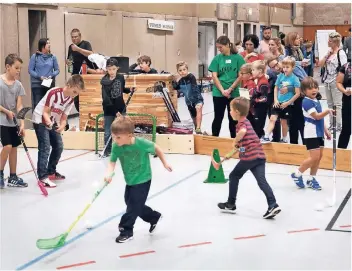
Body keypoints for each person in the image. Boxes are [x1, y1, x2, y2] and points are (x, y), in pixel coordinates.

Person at [104, 114, 172, 243]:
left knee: (133, 206)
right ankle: (154, 217)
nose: (115, 140)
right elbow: (112, 162)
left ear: (130, 135)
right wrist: (108, 174)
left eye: (118, 137)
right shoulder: (116, 146)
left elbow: (157, 148)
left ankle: (126, 230)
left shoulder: (141, 143)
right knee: (133, 204)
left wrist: (165, 163)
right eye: (113, 137)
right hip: (130, 180)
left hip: (143, 178)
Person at [217, 97, 281, 219]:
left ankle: (231, 204)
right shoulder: (247, 121)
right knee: (262, 182)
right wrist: (232, 153)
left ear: (236, 112)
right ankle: (273, 204)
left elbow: (242, 132)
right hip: (259, 156)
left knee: (233, 176)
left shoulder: (241, 124)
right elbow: (245, 146)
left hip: (250, 158)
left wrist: (235, 141)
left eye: (230, 110)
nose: (229, 112)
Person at [32, 75, 85, 188]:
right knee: (45, 147)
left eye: (77, 93)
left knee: (59, 146)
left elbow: (64, 117)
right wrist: (49, 122)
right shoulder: (54, 93)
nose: (75, 95)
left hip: (52, 120)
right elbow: (45, 112)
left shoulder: (70, 99)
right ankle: (42, 177)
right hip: (40, 119)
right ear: (68, 85)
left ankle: (51, 171)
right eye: (74, 91)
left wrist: (62, 126)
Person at [291, 77, 332, 190]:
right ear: (304, 91)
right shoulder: (306, 102)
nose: (313, 90)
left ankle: (311, 179)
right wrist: (327, 111)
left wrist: (326, 131)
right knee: (314, 157)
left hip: (319, 132)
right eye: (310, 88)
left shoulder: (316, 101)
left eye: (315, 87)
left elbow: (320, 119)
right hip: (311, 133)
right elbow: (317, 116)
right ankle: (297, 173)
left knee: (319, 157)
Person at [209, 35, 245, 138]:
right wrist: (222, 90)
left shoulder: (238, 58)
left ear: (228, 45)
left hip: (234, 92)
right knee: (218, 117)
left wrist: (230, 89)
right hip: (219, 92)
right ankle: (214, 138)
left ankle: (234, 140)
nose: (219, 50)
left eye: (221, 47)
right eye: (218, 48)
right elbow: (214, 76)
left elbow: (240, 75)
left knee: (233, 118)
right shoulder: (217, 59)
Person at [0, 54, 27, 188]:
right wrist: (6, 111)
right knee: (7, 146)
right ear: (7, 67)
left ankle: (13, 176)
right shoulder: (0, 82)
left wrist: (22, 124)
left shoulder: (18, 85)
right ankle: (0, 173)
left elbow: (19, 106)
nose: (18, 71)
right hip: (2, 120)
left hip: (13, 122)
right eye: (16, 68)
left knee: (14, 148)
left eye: (20, 68)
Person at [262, 57, 301, 143]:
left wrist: (288, 103)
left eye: (287, 67)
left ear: (292, 67)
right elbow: (276, 88)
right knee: (272, 119)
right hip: (278, 102)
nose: (285, 69)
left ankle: (284, 138)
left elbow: (297, 93)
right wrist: (276, 100)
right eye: (284, 67)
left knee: (284, 122)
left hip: (287, 104)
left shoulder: (295, 79)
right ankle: (266, 136)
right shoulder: (280, 76)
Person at [101, 58, 134, 157]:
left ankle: (123, 150)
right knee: (108, 132)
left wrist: (129, 90)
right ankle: (107, 151)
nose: (111, 71)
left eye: (113, 69)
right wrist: (116, 112)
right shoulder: (104, 81)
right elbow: (106, 99)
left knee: (123, 130)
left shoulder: (120, 77)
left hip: (121, 108)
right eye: (109, 69)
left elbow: (121, 89)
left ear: (117, 68)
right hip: (109, 110)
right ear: (106, 69)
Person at [66, 28, 94, 112]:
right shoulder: (70, 47)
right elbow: (70, 59)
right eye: (72, 37)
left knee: (85, 97)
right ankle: (81, 115)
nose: (74, 39)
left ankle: (86, 115)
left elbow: (91, 53)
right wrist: (68, 62)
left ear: (80, 36)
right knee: (76, 98)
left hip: (86, 75)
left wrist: (78, 49)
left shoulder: (85, 44)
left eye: (76, 37)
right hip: (75, 75)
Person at [172, 61, 204, 134]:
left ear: (187, 70)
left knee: (198, 109)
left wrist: (198, 100)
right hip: (189, 102)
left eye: (184, 69)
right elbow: (175, 87)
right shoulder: (180, 81)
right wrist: (175, 80)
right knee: (193, 116)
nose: (182, 72)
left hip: (197, 99)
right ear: (178, 72)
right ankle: (197, 128)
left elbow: (194, 88)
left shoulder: (191, 76)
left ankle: (198, 128)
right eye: (180, 70)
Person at [28, 38, 60, 109]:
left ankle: (47, 120)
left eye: (49, 43)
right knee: (38, 105)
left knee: (49, 105)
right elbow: (30, 70)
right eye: (47, 43)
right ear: (42, 46)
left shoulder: (52, 57)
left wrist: (51, 75)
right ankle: (37, 120)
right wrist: (40, 77)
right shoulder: (35, 56)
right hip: (37, 85)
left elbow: (57, 70)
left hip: (49, 84)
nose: (49, 45)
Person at [250, 60, 270, 138]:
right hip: (257, 107)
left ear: (260, 71)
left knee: (258, 127)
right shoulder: (258, 79)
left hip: (261, 108)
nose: (252, 72)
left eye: (253, 70)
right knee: (256, 126)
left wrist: (254, 100)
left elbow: (264, 98)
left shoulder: (263, 83)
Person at [337, 62, 351, 149]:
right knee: (346, 129)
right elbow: (338, 82)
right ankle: (340, 155)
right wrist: (345, 91)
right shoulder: (346, 67)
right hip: (348, 102)